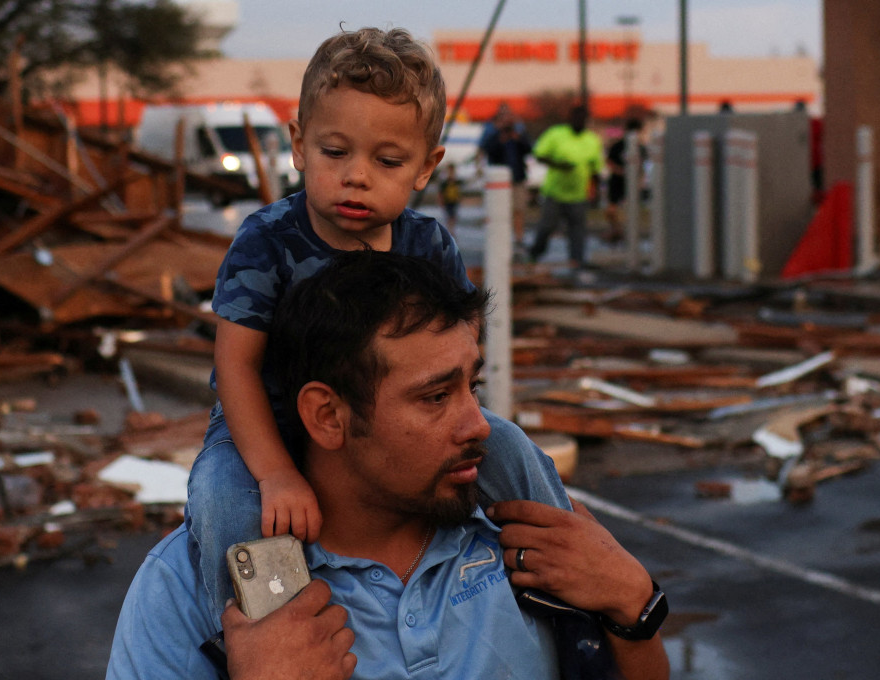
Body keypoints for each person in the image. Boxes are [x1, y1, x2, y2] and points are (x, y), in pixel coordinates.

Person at [107, 250, 671, 679]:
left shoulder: (528, 539)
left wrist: (634, 611)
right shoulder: (188, 590)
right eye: (434, 397)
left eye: (472, 385)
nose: (479, 424)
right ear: (327, 416)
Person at [181, 26, 569, 628]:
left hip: (388, 423)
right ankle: (258, 637)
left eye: (387, 161)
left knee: (513, 448)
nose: (356, 175)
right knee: (223, 502)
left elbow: (459, 353)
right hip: (270, 423)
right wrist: (278, 472)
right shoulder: (265, 242)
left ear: (425, 167)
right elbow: (237, 367)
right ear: (299, 146)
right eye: (335, 153)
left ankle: (568, 584)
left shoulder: (426, 244)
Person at [528, 104, 603, 267]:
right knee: (547, 226)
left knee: (577, 229)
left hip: (578, 194)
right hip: (554, 192)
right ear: (570, 119)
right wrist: (558, 165)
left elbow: (595, 169)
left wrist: (595, 191)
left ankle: (576, 259)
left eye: (583, 119)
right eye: (577, 118)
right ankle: (535, 253)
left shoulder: (592, 140)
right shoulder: (556, 134)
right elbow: (539, 154)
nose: (580, 122)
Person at [479, 103, 533, 245]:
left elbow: (529, 149)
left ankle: (519, 238)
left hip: (517, 178)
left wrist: (518, 139)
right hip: (499, 181)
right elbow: (486, 149)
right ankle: (500, 238)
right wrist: (499, 137)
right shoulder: (492, 132)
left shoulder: (519, 133)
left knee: (519, 209)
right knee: (499, 211)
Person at [604, 118, 648, 243]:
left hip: (631, 182)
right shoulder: (618, 146)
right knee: (611, 210)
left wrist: (639, 179)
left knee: (631, 208)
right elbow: (609, 161)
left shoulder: (640, 147)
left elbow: (642, 165)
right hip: (617, 181)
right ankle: (616, 230)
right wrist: (620, 171)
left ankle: (628, 233)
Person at [438, 162, 462, 234]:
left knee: (453, 217)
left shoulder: (456, 181)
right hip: (447, 201)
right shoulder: (444, 183)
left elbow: (459, 191)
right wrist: (441, 201)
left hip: (454, 201)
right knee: (449, 217)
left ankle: (452, 230)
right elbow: (440, 193)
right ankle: (450, 231)